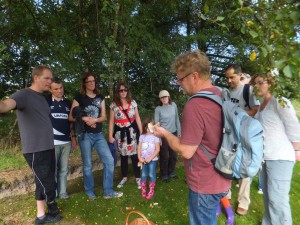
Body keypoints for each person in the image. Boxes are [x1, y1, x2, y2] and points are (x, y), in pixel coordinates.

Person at [154, 50, 231, 225]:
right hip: (224, 174)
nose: (179, 84)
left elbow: (186, 151)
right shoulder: (221, 94)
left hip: (204, 182)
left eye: (181, 79)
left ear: (194, 76)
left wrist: (165, 133)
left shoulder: (195, 104)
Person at [0, 65, 62, 225]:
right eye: (46, 78)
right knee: (48, 183)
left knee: (41, 182)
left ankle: (41, 215)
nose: (50, 81)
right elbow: (5, 106)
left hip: (48, 147)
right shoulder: (23, 95)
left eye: (51, 78)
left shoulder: (42, 97)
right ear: (36, 78)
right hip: (35, 150)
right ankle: (54, 212)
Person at [251, 73, 300, 225]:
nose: (257, 86)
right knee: (268, 196)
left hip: (280, 157)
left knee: (278, 200)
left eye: (261, 82)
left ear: (271, 83)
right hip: (266, 157)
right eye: (255, 83)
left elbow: (293, 126)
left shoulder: (280, 101)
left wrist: (297, 150)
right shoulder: (261, 106)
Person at [69, 71, 123, 200]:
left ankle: (108, 191)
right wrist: (86, 118)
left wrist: (95, 120)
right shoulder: (79, 97)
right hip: (85, 135)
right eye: (89, 81)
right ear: (85, 83)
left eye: (93, 81)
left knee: (109, 161)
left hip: (98, 134)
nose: (92, 83)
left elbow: (104, 117)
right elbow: (71, 116)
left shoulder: (100, 97)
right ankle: (89, 191)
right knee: (87, 164)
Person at [225, 64, 260, 216]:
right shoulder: (226, 93)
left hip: (245, 136)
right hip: (229, 135)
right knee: (226, 163)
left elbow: (255, 110)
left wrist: (236, 113)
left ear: (240, 75)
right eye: (227, 78)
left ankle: (243, 202)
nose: (229, 80)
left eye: (231, 77)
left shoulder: (248, 90)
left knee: (244, 168)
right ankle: (225, 195)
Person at [47, 77, 77, 199]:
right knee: (52, 170)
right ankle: (52, 194)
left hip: (66, 141)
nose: (59, 91)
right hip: (52, 142)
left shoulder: (68, 103)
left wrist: (74, 137)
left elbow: (71, 123)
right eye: (56, 89)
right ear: (50, 89)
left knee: (64, 169)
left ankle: (63, 193)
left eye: (61, 88)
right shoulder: (47, 102)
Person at [108, 82, 143, 189]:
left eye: (125, 90)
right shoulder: (114, 105)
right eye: (121, 90)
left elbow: (137, 118)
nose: (123, 92)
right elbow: (111, 121)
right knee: (123, 156)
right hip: (120, 135)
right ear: (117, 92)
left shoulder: (133, 103)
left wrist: (142, 133)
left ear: (127, 91)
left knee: (134, 156)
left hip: (132, 133)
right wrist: (110, 135)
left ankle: (138, 178)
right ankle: (124, 177)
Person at [154, 90, 181, 182]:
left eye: (165, 97)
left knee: (173, 155)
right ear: (160, 99)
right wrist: (158, 138)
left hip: (173, 134)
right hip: (163, 135)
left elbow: (177, 118)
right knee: (165, 156)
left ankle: (171, 172)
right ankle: (164, 174)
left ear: (169, 97)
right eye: (162, 97)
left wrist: (179, 132)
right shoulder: (158, 109)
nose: (164, 99)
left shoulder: (174, 105)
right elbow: (156, 125)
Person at [137, 118, 160, 200]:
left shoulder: (156, 137)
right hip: (143, 160)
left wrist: (150, 158)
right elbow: (139, 148)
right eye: (147, 127)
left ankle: (151, 190)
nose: (149, 129)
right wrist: (139, 157)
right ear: (144, 127)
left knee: (151, 174)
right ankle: (143, 189)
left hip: (152, 160)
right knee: (143, 174)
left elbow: (157, 149)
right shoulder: (142, 136)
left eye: (150, 127)